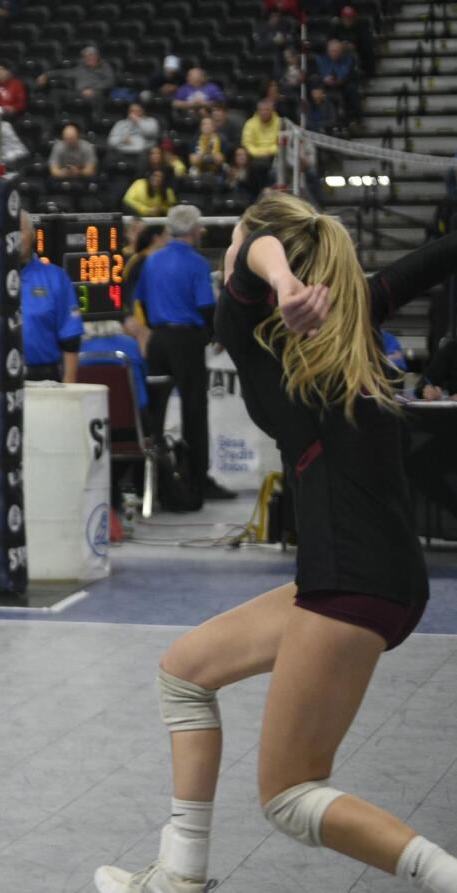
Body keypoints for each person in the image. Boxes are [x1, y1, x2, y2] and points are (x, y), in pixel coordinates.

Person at [94, 192, 457, 893]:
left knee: (289, 794)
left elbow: (259, 243)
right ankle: (180, 872)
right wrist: (293, 280)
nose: (230, 254)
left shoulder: (250, 322)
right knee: (184, 671)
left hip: (349, 580)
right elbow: (441, 254)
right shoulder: (353, 310)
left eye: (232, 247)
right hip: (369, 572)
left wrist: (282, 282)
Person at [135, 204, 235, 505]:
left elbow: (140, 299)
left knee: (153, 414)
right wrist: (214, 334)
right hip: (186, 340)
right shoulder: (196, 264)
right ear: (194, 231)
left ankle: (148, 483)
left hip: (158, 339)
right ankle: (198, 481)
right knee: (194, 412)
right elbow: (205, 306)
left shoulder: (150, 262)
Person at [0, 211, 83, 384]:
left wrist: (69, 386)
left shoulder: (56, 278)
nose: (14, 237)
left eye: (19, 231)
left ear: (32, 236)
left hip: (44, 381)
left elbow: (70, 340)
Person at [241, 98, 281, 192]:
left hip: (274, 156)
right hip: (254, 157)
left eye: (266, 110)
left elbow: (280, 143)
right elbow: (246, 143)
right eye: (261, 110)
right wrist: (260, 153)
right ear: (258, 111)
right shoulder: (250, 123)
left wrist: (269, 151)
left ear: (272, 110)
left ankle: (270, 190)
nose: (264, 112)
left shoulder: (280, 123)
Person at [107, 103, 161, 167]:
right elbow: (110, 141)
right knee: (109, 158)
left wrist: (138, 121)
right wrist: (121, 140)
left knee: (144, 158)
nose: (134, 113)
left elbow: (150, 133)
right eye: (132, 111)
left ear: (142, 111)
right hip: (121, 152)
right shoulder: (121, 123)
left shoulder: (150, 121)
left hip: (141, 153)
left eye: (137, 111)